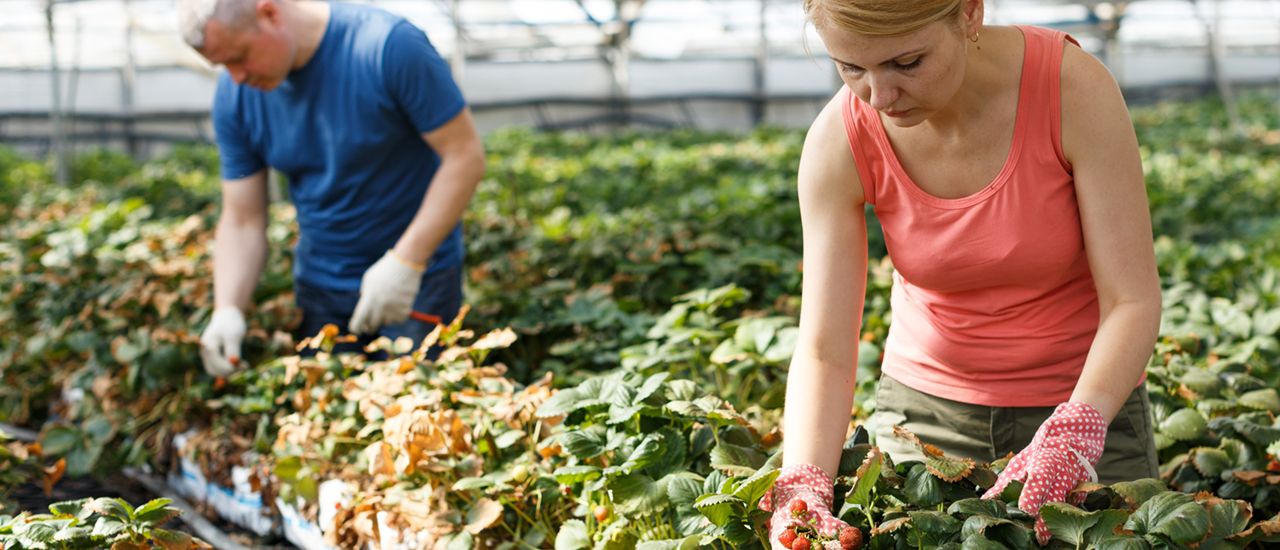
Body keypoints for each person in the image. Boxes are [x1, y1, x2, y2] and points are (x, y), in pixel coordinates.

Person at [763, 0, 1161, 546]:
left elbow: (1132, 300)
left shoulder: (1071, 90)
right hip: (928, 425)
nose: (878, 97)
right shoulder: (840, 137)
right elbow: (825, 347)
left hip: (1092, 402)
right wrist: (803, 479)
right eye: (851, 68)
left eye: (906, 63)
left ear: (969, 14)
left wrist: (1076, 433)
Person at [175, 0, 486, 376]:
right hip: (321, 287)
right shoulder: (236, 96)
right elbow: (242, 218)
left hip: (417, 283)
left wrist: (407, 261)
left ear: (270, 14)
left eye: (240, 57)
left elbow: (464, 156)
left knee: (416, 418)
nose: (236, 77)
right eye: (223, 66)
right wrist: (228, 308)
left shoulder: (388, 47)